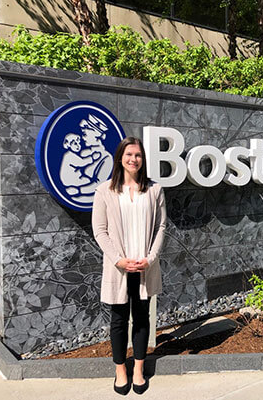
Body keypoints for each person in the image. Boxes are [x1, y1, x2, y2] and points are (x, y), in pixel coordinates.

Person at [92, 137, 166, 395]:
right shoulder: (105, 191)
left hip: (145, 267)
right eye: (129, 154)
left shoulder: (154, 190)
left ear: (143, 160)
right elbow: (100, 231)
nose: (134, 159)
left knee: (143, 318)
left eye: (138, 155)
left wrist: (151, 258)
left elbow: (161, 227)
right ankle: (120, 369)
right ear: (120, 157)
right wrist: (118, 260)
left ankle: (138, 369)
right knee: (119, 320)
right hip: (120, 269)